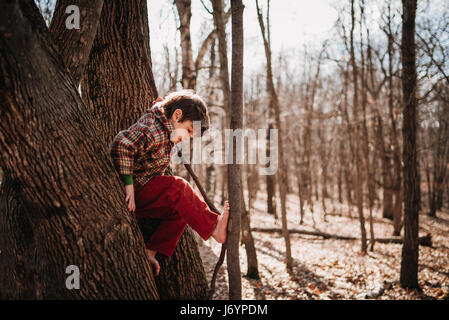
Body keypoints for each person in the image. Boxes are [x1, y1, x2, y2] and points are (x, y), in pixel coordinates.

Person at [110, 90, 229, 276]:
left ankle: (150, 251)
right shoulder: (154, 129)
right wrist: (128, 186)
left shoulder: (164, 126)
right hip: (136, 190)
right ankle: (214, 228)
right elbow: (121, 144)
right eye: (189, 130)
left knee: (183, 209)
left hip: (146, 190)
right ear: (177, 115)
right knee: (179, 188)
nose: (188, 137)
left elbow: (159, 112)